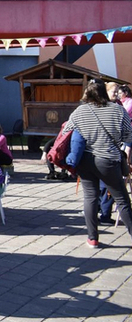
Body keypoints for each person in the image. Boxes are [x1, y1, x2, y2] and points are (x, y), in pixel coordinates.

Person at [63, 79, 132, 248]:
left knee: (90, 198)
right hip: (109, 160)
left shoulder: (80, 111)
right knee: (122, 200)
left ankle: (92, 238)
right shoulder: (117, 110)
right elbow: (128, 136)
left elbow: (66, 131)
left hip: (86, 160)